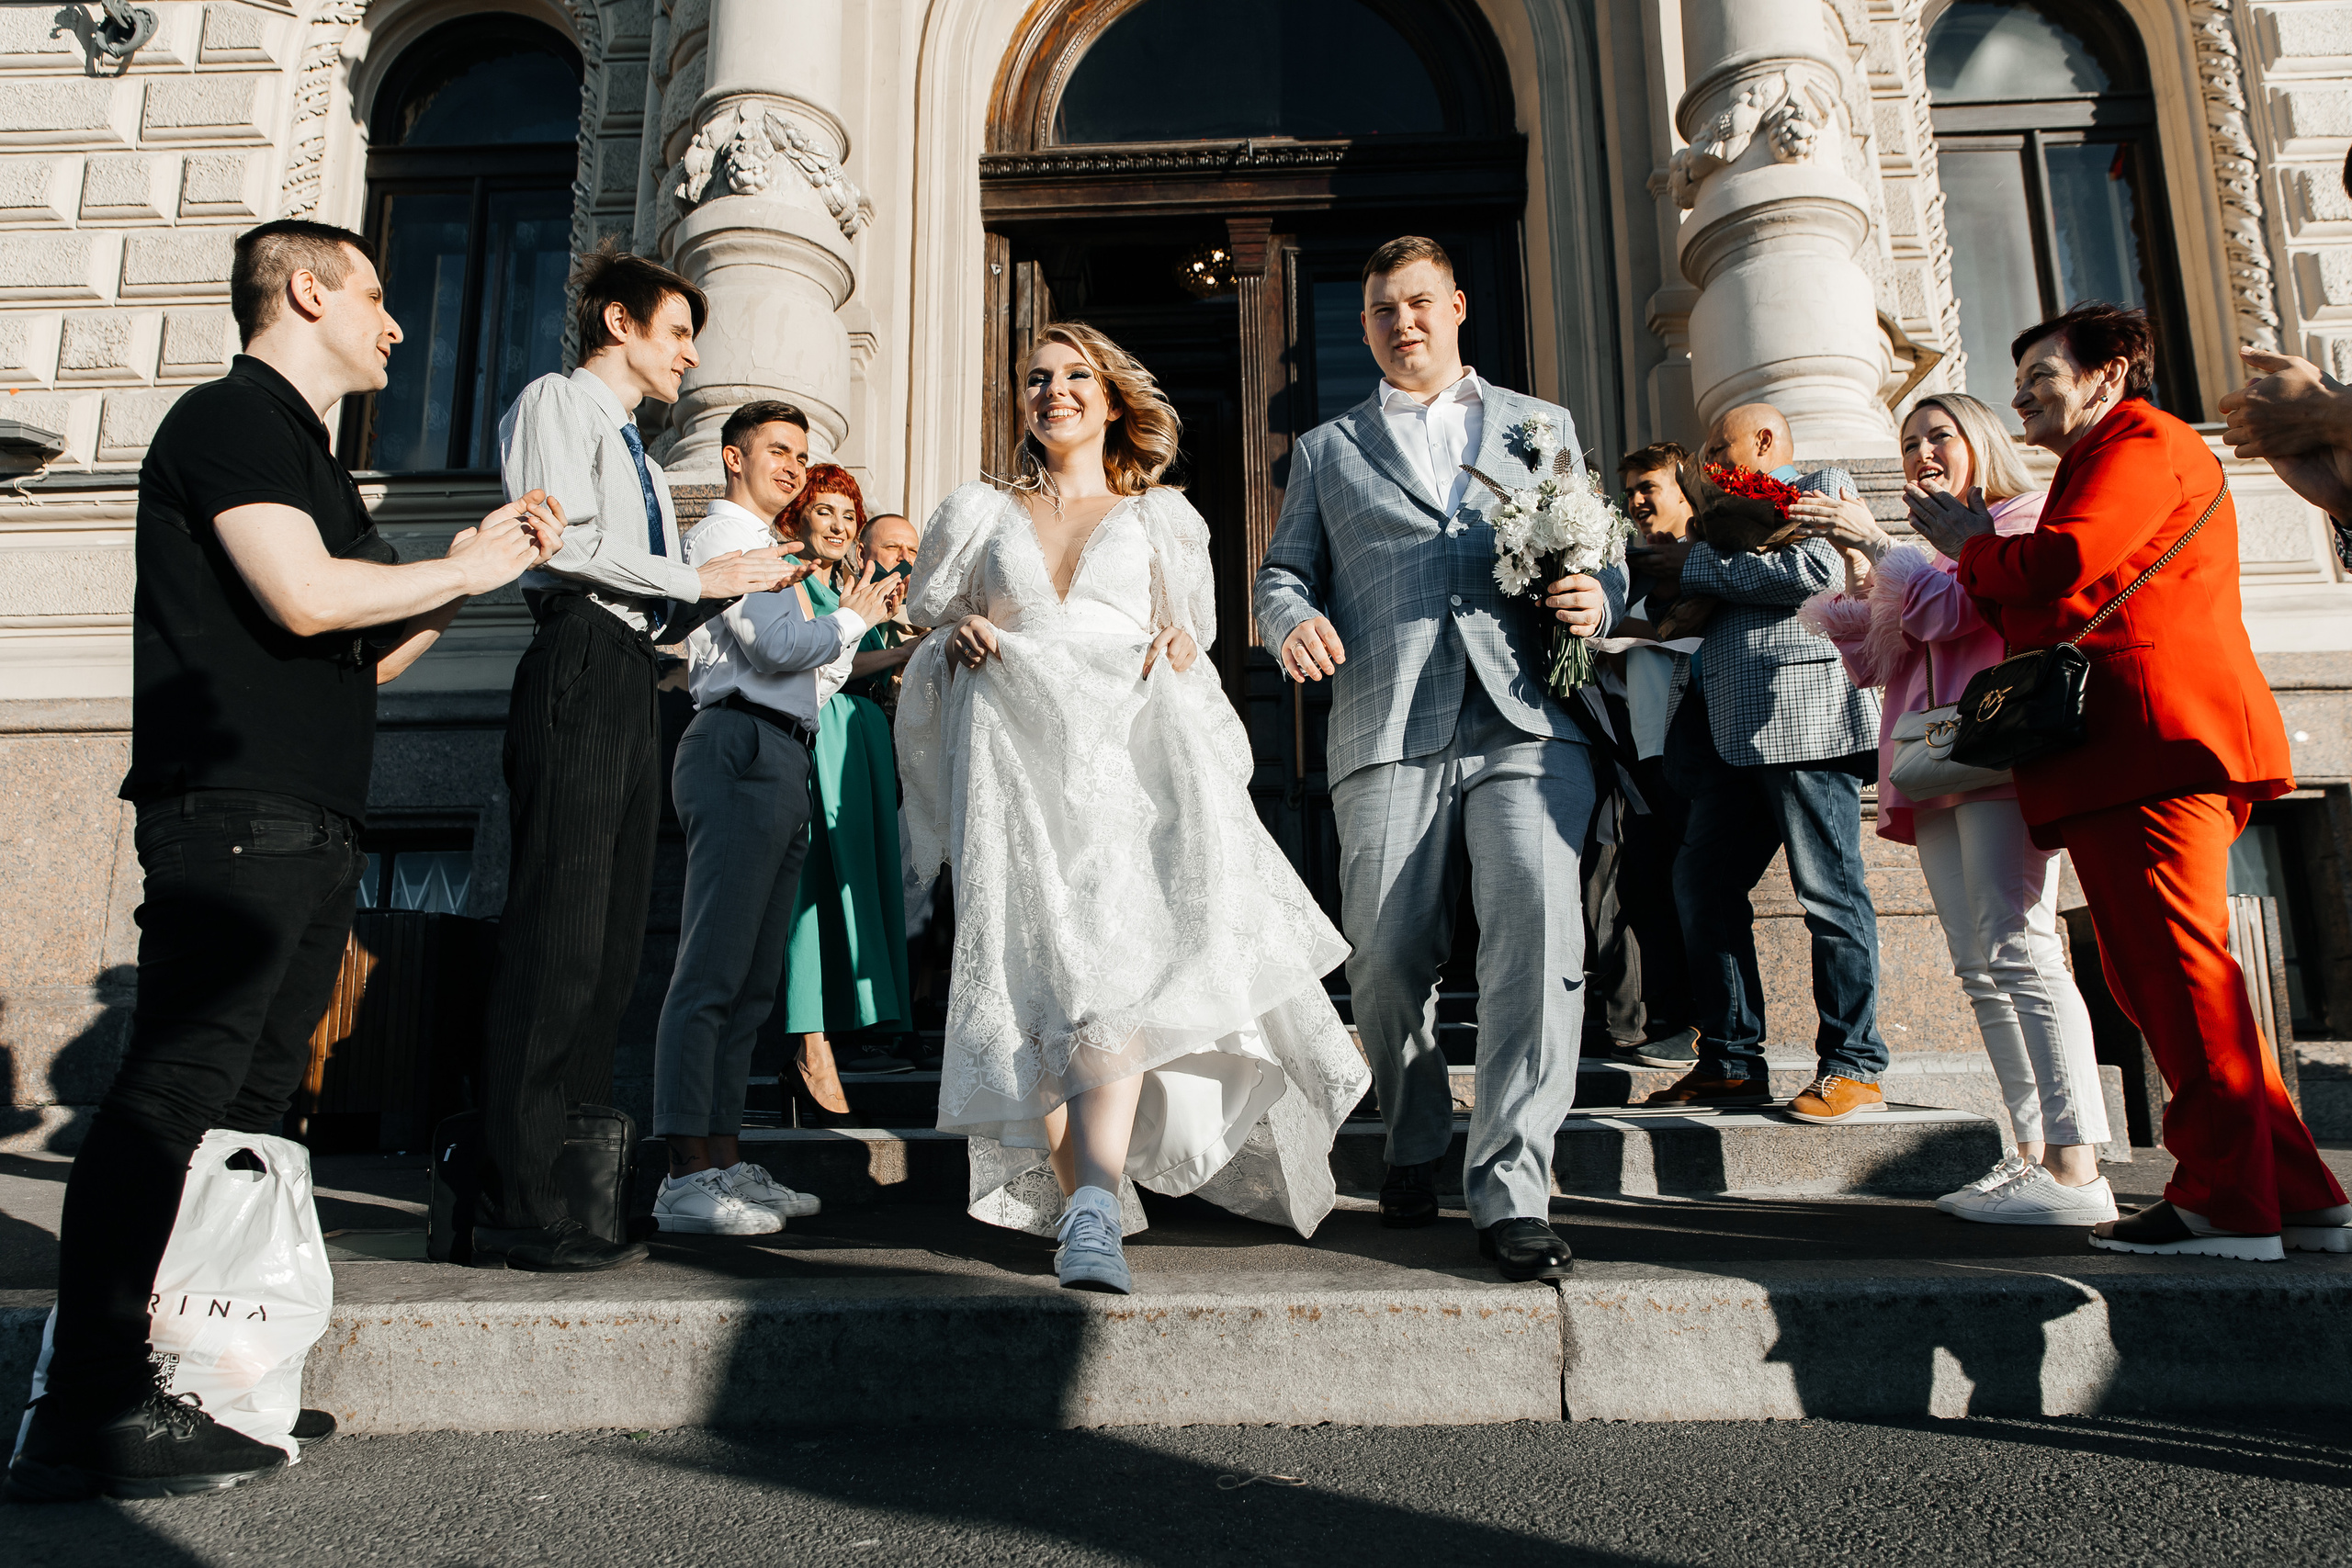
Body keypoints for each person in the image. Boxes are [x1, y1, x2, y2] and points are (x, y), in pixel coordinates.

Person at [10, 220, 560, 1502]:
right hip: (234, 809)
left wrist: (475, 575)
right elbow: (306, 599)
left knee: (249, 1109)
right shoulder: (228, 418)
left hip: (314, 814)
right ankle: (85, 1404)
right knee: (175, 1091)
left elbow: (367, 643)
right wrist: (460, 560)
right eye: (378, 297)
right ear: (308, 291)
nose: (400, 326)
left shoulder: (315, 461)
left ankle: (209, 1375)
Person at [901, 320, 1370, 1294]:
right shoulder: (977, 514)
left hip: (1123, 776)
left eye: (1076, 377)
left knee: (1106, 987)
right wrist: (960, 638)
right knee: (1037, 998)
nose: (1054, 391)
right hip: (1019, 777)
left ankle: (1087, 1208)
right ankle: (1093, 1206)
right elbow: (927, 624)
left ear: (1111, 399)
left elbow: (1184, 642)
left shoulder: (1163, 519)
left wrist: (1184, 656)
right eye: (1036, 379)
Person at [1916, 301, 2350, 1260]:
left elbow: (2065, 561)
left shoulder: (2138, 442)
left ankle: (2224, 1206)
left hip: (2151, 741)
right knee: (2174, 974)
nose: (2021, 399)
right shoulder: (2114, 450)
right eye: (2018, 382)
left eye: (2040, 379)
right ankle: (2296, 1193)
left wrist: (1968, 544)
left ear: (2107, 375)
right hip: (2138, 745)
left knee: (2177, 976)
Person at [1253, 236, 1624, 1282]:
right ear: (1364, 326)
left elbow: (1600, 550)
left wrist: (1600, 600)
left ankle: (1510, 1189)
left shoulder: (1537, 427)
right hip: (1384, 722)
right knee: (1381, 958)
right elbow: (1283, 573)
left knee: (1534, 946)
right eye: (1380, 310)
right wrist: (1288, 621)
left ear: (1458, 306)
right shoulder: (1328, 450)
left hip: (1524, 720)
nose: (1401, 322)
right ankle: (1414, 1133)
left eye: (1419, 302)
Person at [478, 243, 800, 1273]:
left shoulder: (645, 457)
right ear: (618, 323)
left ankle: (573, 1189)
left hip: (628, 672)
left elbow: (646, 580)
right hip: (577, 652)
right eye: (676, 334)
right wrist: (704, 581)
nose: (689, 358)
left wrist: (680, 612)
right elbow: (556, 544)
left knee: (611, 945)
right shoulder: (555, 405)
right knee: (558, 938)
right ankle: (513, 1198)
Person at [1798, 392, 2117, 1225]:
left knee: (2021, 947)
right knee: (1979, 965)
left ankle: (2078, 1164)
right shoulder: (1938, 549)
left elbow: (1965, 612)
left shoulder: (2017, 520)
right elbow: (1875, 664)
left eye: (1939, 435)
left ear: (1980, 440)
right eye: (1909, 442)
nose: (1922, 452)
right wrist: (1861, 568)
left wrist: (1883, 544)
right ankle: (2029, 1154)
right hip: (1935, 762)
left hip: (2001, 756)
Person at [650, 402, 890, 1234]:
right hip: (737, 744)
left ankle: (721, 1157)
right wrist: (850, 617)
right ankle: (684, 1169)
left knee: (753, 980)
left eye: (801, 452)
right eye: (777, 450)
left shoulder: (780, 554)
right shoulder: (726, 540)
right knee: (712, 967)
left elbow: (814, 675)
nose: (793, 464)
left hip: (782, 747)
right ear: (731, 456)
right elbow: (777, 651)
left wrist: (842, 625)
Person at [1639, 401, 1891, 1122]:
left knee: (1829, 893)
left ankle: (1854, 1062)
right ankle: (1729, 1059)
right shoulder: (1710, 521)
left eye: (1719, 447)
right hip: (1725, 732)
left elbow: (1813, 569)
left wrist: (1697, 565)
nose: (1708, 462)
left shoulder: (1822, 479)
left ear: (1763, 440)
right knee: (1702, 887)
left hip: (1804, 717)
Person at [780, 466, 917, 1106]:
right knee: (815, 880)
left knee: (859, 881)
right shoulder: (794, 578)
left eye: (846, 516)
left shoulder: (848, 584)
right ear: (798, 514)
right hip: (822, 731)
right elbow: (821, 658)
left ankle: (848, 1025)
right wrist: (897, 652)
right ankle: (810, 1041)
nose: (837, 526)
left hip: (860, 739)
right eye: (825, 512)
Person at [1577, 443, 1702, 1076]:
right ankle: (1660, 1019)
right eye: (1629, 492)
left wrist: (1616, 635)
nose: (1637, 501)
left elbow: (1686, 629)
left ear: (1685, 489)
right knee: (1640, 883)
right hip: (1638, 746)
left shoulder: (1703, 558)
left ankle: (1692, 1023)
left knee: (1682, 886)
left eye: (1649, 486)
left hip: (1695, 741)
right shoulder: (1627, 569)